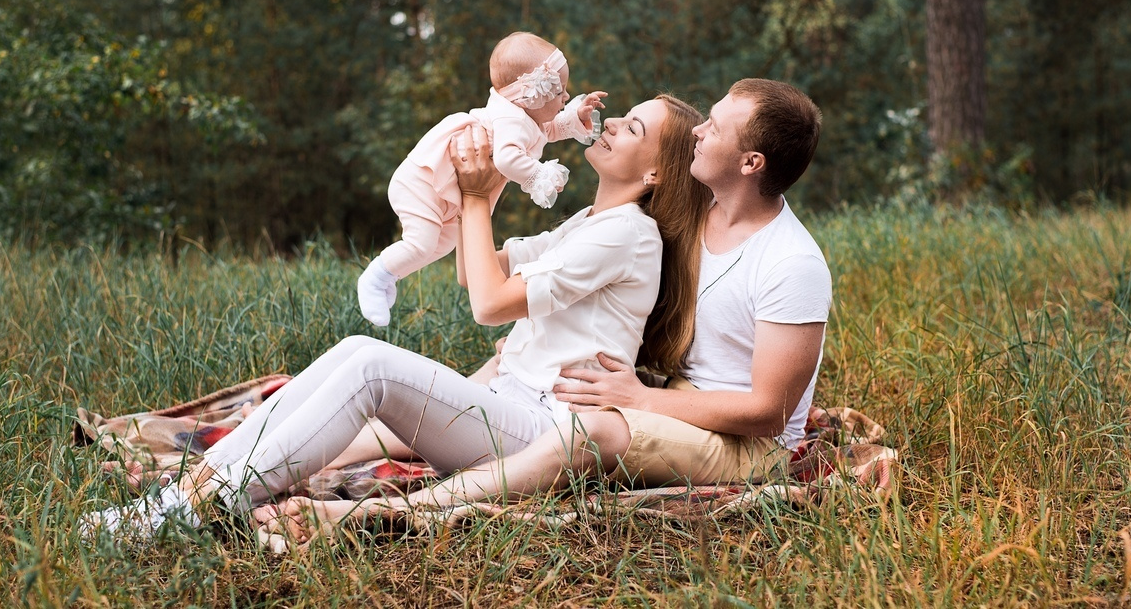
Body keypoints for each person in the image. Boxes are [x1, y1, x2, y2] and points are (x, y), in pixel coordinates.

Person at [78, 95, 708, 540]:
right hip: (509, 403)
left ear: (654, 171)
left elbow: (488, 305)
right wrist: (479, 194)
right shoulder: (591, 224)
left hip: (542, 428)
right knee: (356, 350)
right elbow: (475, 268)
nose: (613, 122)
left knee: (373, 366)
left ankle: (201, 503)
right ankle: (193, 492)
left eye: (633, 128)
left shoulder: (629, 235)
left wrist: (472, 196)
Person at [255, 78, 830, 544]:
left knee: (591, 429)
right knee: (493, 377)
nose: (700, 131)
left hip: (749, 447)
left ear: (751, 162)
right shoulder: (684, 220)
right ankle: (272, 453)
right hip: (675, 395)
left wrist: (637, 397)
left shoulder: (791, 263)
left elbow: (768, 412)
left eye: (716, 127)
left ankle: (381, 515)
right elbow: (634, 302)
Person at [358, 31, 608, 326]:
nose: (565, 97)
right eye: (559, 92)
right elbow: (506, 159)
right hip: (422, 185)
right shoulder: (510, 121)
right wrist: (539, 174)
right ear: (528, 95)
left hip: (444, 194)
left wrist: (576, 116)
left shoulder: (524, 117)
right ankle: (376, 276)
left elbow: (548, 129)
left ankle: (391, 274)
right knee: (422, 244)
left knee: (444, 243)